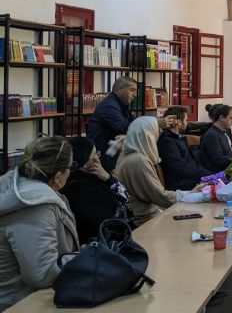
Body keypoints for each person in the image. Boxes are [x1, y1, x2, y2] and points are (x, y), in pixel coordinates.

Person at [0, 136, 79, 311]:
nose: (70, 172)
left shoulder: (17, 185)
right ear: (58, 176)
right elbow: (42, 274)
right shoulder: (35, 204)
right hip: (19, 303)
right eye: (70, 167)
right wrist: (81, 258)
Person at [113, 117, 204, 226]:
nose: (158, 135)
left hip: (144, 215)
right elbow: (161, 197)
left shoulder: (127, 154)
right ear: (148, 136)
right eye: (156, 132)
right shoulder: (138, 161)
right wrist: (190, 194)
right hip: (145, 220)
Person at [60, 136, 135, 242]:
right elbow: (122, 206)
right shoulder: (78, 190)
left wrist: (108, 178)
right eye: (94, 154)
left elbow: (128, 200)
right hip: (106, 244)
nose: (97, 158)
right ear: (84, 163)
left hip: (122, 234)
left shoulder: (97, 176)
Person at [87, 76, 137, 171]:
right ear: (120, 89)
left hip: (110, 156)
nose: (135, 94)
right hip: (102, 160)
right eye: (132, 90)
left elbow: (135, 123)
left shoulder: (121, 105)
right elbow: (126, 127)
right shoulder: (109, 106)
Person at [157, 106, 211, 191]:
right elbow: (180, 167)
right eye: (186, 120)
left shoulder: (176, 138)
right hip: (180, 184)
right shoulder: (167, 141)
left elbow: (190, 163)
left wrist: (207, 174)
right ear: (178, 121)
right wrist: (205, 176)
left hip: (188, 179)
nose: (187, 123)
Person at [200, 104, 232, 173]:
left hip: (225, 170)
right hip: (217, 174)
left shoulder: (221, 132)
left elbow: (229, 154)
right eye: (231, 118)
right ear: (221, 118)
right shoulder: (212, 135)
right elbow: (218, 160)